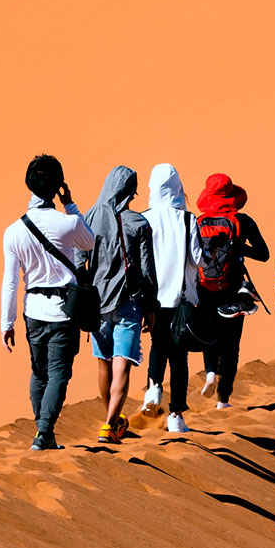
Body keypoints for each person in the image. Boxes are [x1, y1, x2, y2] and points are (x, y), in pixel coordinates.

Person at [1, 153, 94, 451]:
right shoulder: (66, 223)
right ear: (58, 186)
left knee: (39, 372)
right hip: (63, 311)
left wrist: (7, 322)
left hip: (33, 312)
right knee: (59, 373)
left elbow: (11, 281)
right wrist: (70, 204)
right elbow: (89, 242)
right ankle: (44, 433)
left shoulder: (13, 231)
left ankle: (44, 432)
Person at [85, 166, 157, 443]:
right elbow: (147, 271)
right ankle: (109, 425)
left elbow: (81, 262)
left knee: (103, 365)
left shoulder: (89, 217)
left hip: (97, 304)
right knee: (122, 364)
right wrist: (151, 307)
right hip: (129, 303)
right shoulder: (139, 223)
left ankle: (113, 420)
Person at [194, 172, 270, 408]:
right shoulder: (244, 221)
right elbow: (264, 254)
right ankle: (223, 399)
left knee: (210, 336)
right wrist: (238, 248)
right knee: (231, 344)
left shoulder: (198, 222)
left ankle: (209, 373)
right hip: (233, 288)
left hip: (204, 287)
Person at [140, 163, 202, 434]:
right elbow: (197, 258)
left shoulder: (143, 218)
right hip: (181, 298)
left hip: (152, 298)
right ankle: (175, 416)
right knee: (179, 357)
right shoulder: (187, 219)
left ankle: (153, 389)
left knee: (157, 345)